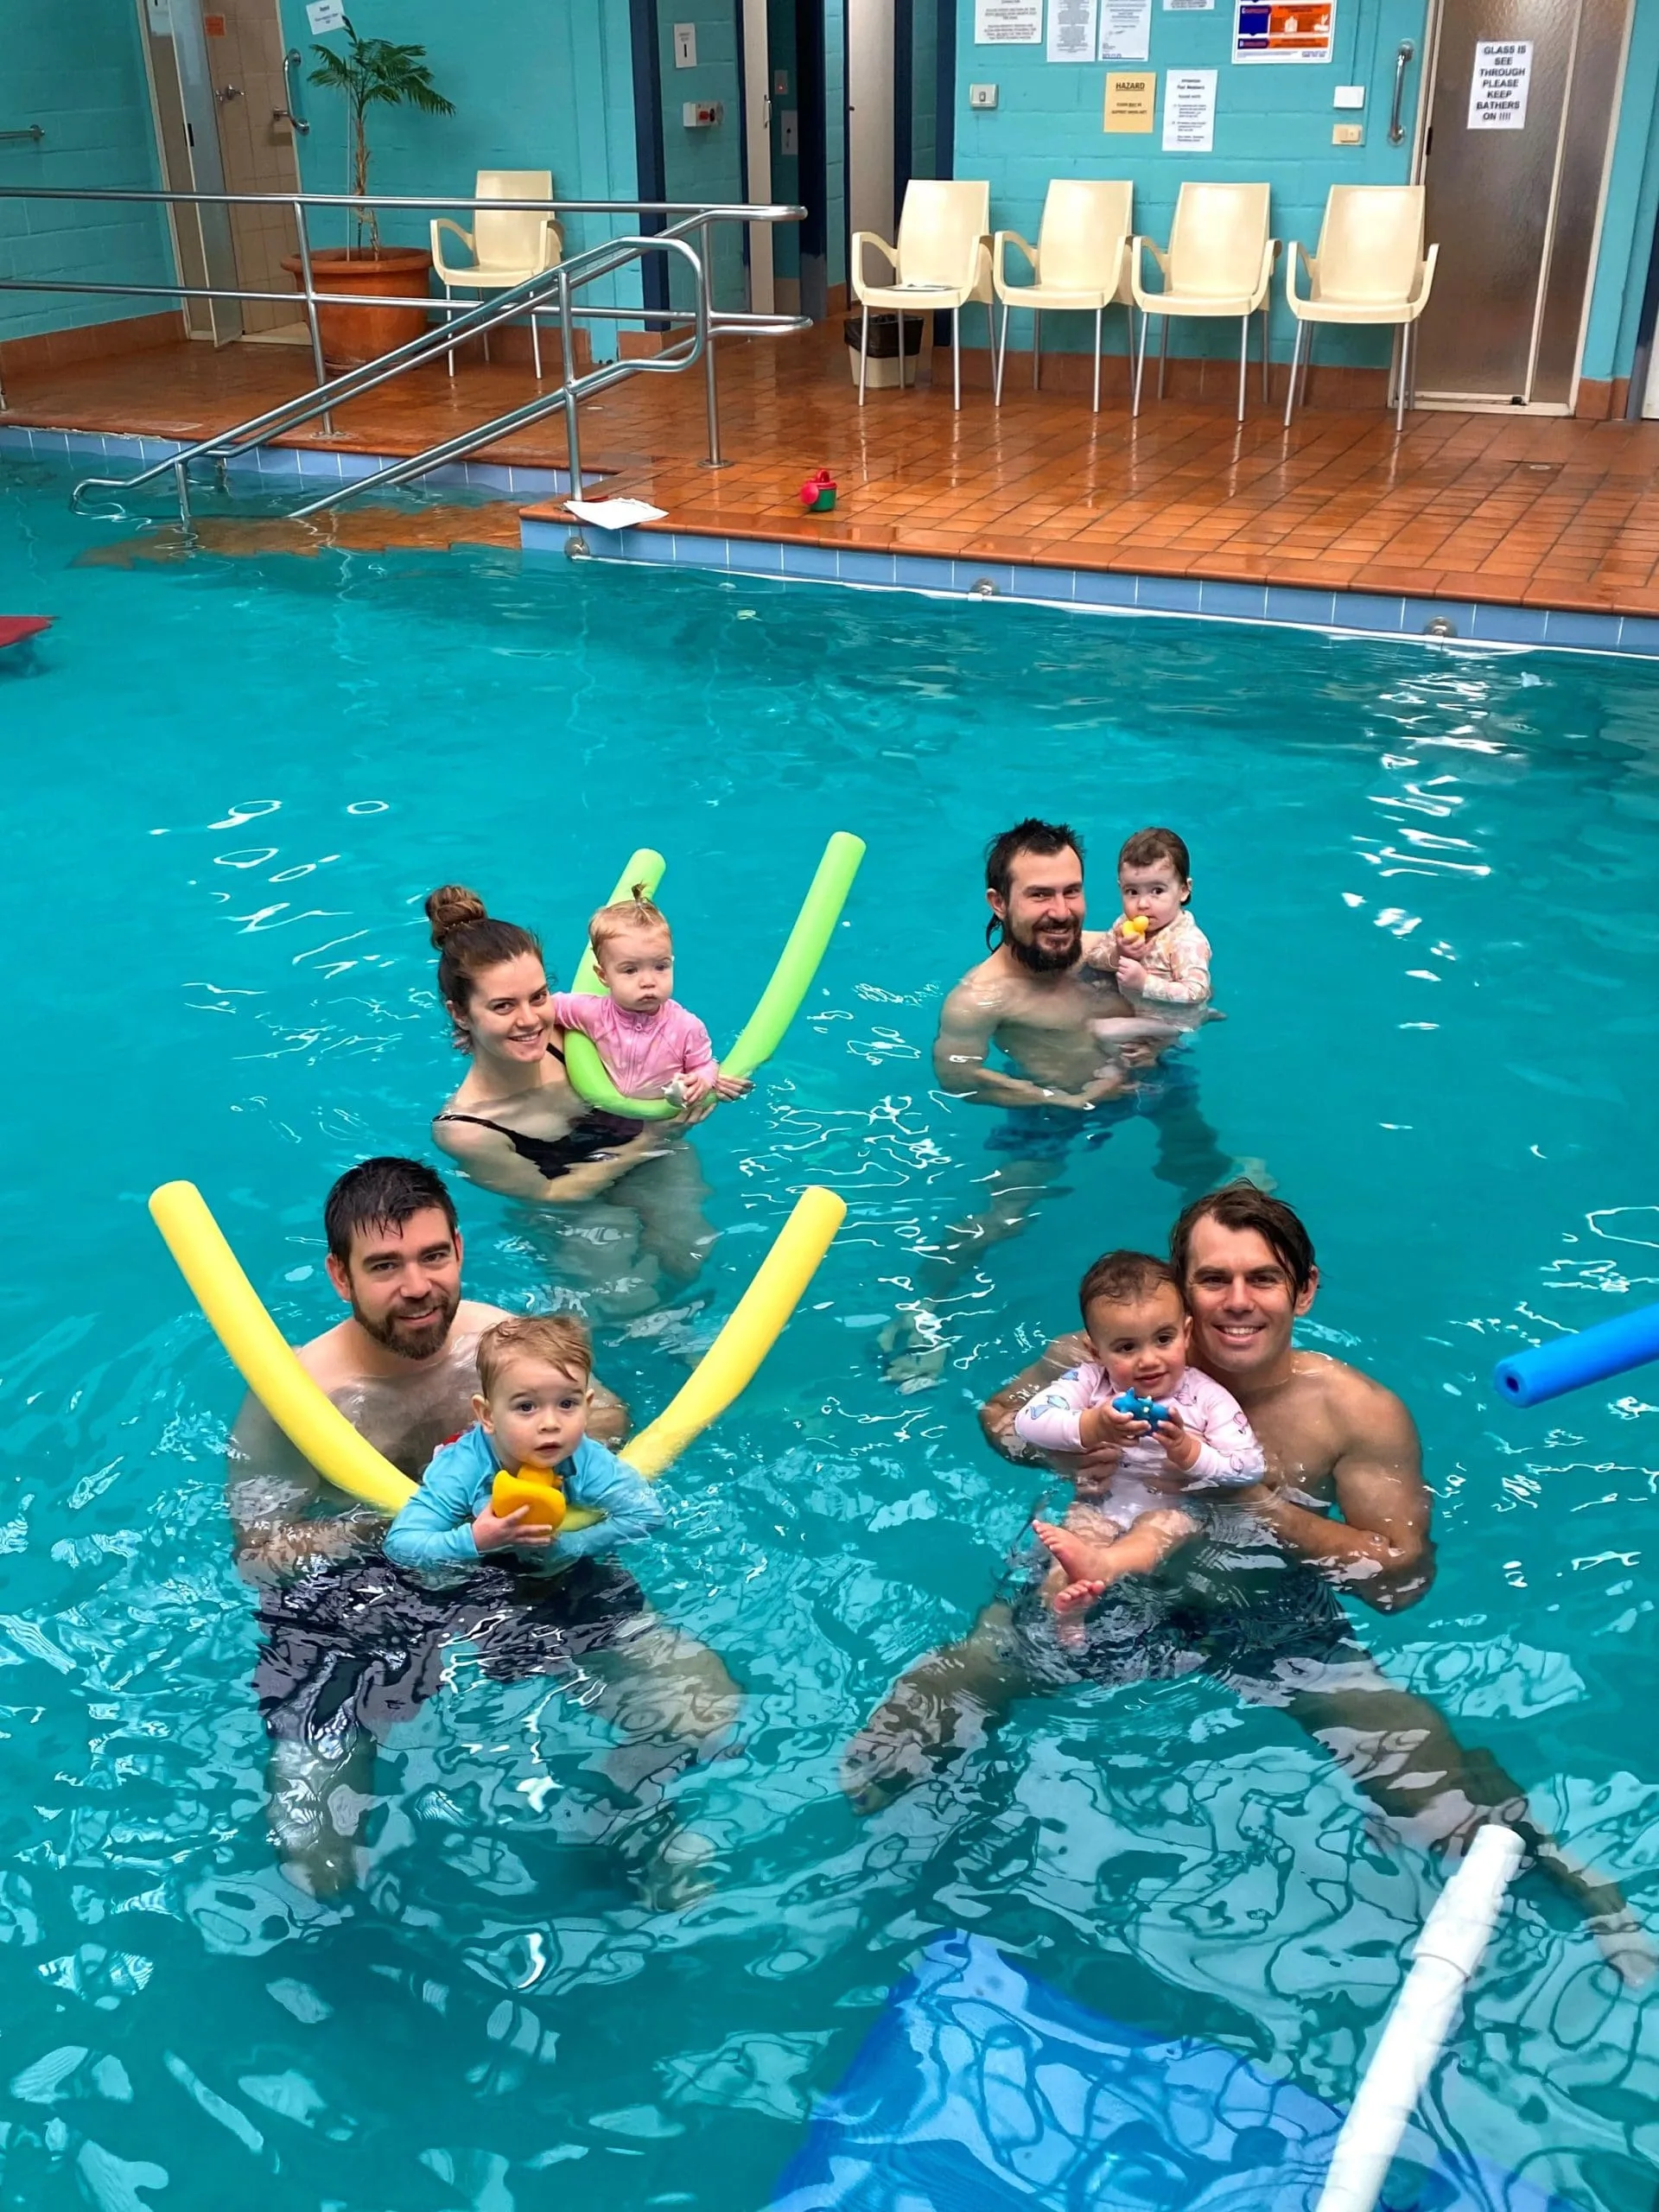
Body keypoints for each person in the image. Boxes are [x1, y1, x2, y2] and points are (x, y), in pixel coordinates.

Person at [846, 1181, 1651, 1983]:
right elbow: (1000, 1419)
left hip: (1271, 1616)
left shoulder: (1356, 1414)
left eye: (1262, 1278)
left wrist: (1256, 1505)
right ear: (1180, 1288)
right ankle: (863, 1887)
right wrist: (1064, 1449)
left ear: (1303, 1289)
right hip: (1105, 1590)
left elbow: (1399, 1581)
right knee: (947, 1698)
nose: (1237, 1302)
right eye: (1213, 1279)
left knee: (1434, 1792)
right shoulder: (1108, 1353)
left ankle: (1583, 1892)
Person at [227, 1157, 740, 1898]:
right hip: (365, 1591)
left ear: (460, 1250)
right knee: (315, 1854)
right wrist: (396, 1522)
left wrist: (527, 1459)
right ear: (341, 1277)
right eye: (385, 1266)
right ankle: (355, 1928)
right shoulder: (298, 1400)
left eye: (433, 1256)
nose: (417, 1286)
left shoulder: (497, 1345)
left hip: (522, 1558)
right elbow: (261, 1554)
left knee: (704, 1710)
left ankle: (622, 1816)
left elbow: (608, 1417)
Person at [881, 819, 1237, 1383]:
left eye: (1072, 891)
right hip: (1053, 1109)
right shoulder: (981, 997)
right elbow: (955, 1075)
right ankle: (924, 1310)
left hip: (1147, 1080)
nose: (1062, 911)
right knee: (1002, 1216)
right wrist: (1058, 1099)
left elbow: (1186, 1000)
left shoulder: (1107, 951)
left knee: (1205, 1170)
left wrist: (1162, 1039)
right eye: (1040, 895)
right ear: (999, 903)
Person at [425, 885, 717, 1313]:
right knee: (623, 1295)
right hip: (570, 1206)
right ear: (460, 1013)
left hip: (646, 1153)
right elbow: (549, 1195)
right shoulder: (467, 1129)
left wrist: (701, 1083)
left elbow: (665, 1041)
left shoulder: (574, 1036)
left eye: (539, 997)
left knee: (689, 1253)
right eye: (504, 1007)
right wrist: (652, 1138)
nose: (530, 1021)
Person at [1015, 1248, 1262, 1631]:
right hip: (1099, 1503)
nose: (1148, 1360)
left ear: (1186, 1333)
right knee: (1073, 1544)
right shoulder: (1090, 1381)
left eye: (1163, 1339)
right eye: (1127, 1347)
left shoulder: (1206, 1397)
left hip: (1175, 1509)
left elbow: (1249, 1466)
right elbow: (1028, 1421)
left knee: (1161, 1525)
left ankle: (1105, 1566)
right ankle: (1066, 1613)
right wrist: (1093, 1425)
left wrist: (1190, 1453)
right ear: (1096, 1351)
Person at [550, 884, 753, 1112]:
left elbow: (704, 1064)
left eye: (660, 967)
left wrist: (704, 1079)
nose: (648, 981)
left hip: (656, 1119)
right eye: (630, 970)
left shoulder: (686, 1027)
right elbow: (546, 1008)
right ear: (603, 976)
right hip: (601, 1110)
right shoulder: (591, 1012)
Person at [1086, 826, 1215, 1052]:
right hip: (1137, 1012)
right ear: (1120, 889)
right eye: (1132, 892)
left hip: (1174, 1024)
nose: (1143, 904)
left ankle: (1200, 1019)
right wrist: (1118, 953)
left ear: (1184, 890)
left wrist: (1145, 983)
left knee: (1099, 1030)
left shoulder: (1186, 941)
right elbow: (1094, 958)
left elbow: (1196, 992)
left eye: (1157, 891)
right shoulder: (1124, 924)